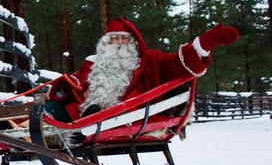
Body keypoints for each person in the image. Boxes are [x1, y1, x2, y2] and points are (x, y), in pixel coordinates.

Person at [44, 18, 239, 123]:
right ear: (107, 42)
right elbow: (76, 85)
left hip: (127, 114)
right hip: (81, 113)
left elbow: (177, 65)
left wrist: (205, 43)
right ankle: (31, 131)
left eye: (124, 39)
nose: (119, 43)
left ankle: (90, 120)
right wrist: (67, 84)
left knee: (93, 115)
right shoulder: (94, 63)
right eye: (115, 38)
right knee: (48, 109)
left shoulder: (150, 60)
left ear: (133, 42)